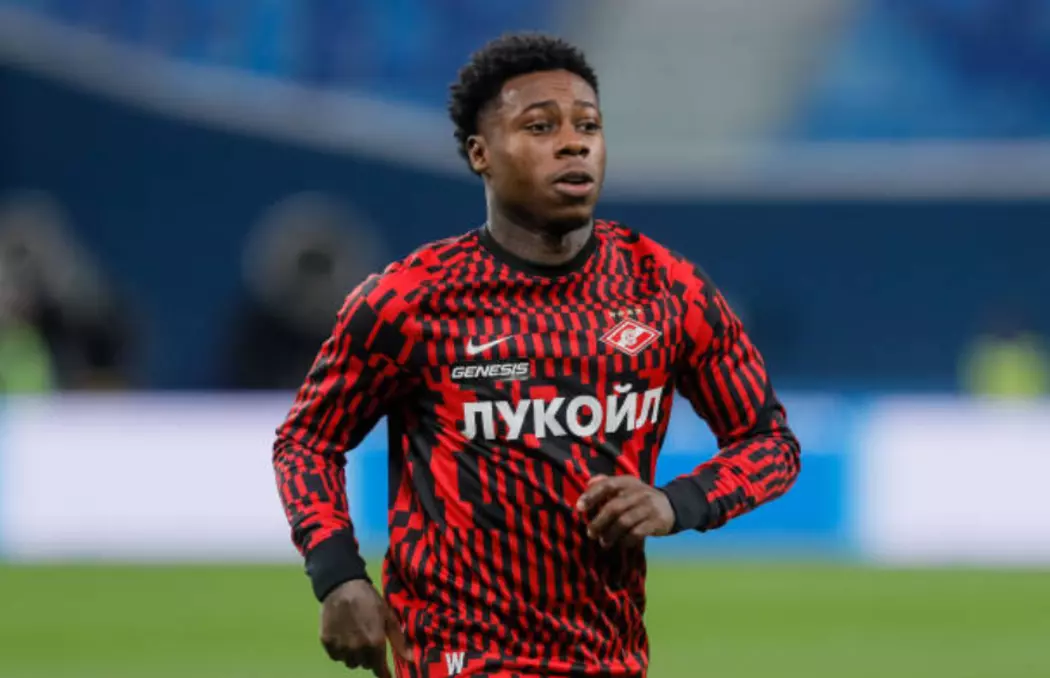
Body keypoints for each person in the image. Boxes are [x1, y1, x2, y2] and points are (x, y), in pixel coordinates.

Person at [273, 33, 802, 678]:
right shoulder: (410, 300)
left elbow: (769, 444)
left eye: (588, 125)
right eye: (540, 126)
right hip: (455, 659)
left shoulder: (667, 289)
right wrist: (337, 576)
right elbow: (307, 442)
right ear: (481, 153)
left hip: (608, 661)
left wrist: (676, 503)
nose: (574, 143)